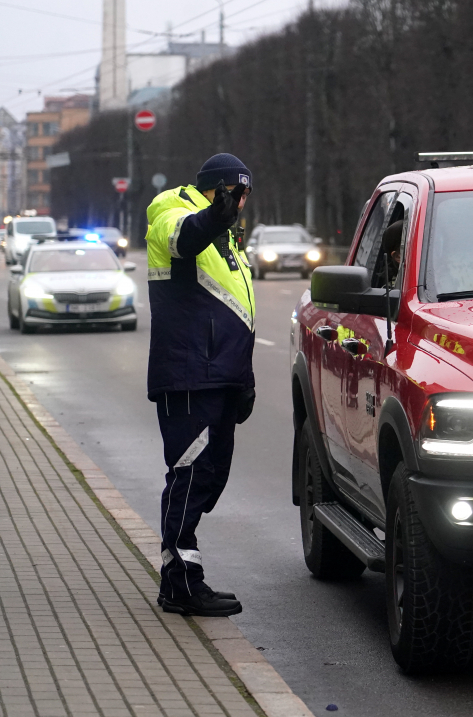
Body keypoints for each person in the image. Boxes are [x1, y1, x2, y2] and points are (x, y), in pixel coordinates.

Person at [145, 153, 256, 617]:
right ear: (219, 189)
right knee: (189, 476)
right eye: (237, 194)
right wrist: (213, 217)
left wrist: (243, 379)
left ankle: (185, 578)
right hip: (189, 374)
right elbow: (182, 237)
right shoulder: (171, 212)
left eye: (246, 195)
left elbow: (238, 313)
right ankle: (180, 585)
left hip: (219, 376)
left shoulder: (228, 238)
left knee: (209, 476)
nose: (242, 203)